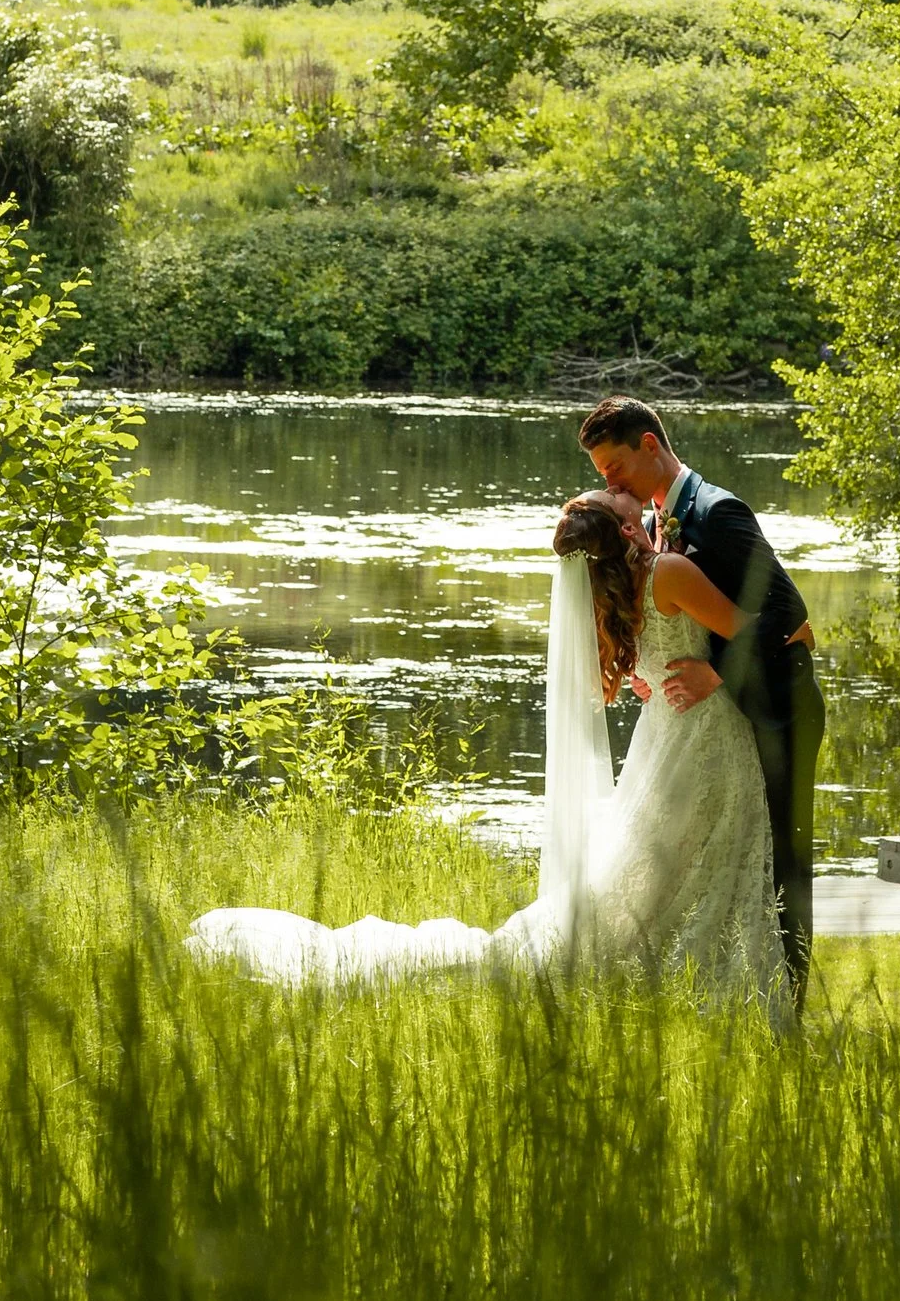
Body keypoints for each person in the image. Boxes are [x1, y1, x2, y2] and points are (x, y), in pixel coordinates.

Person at [184, 485, 785, 1008]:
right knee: (690, 858)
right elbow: (758, 626)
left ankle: (682, 967)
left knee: (667, 864)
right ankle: (704, 974)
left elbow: (651, 661)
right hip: (699, 730)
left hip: (668, 735)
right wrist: (781, 633)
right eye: (619, 497)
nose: (621, 488)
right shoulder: (669, 573)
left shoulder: (624, 587)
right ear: (630, 528)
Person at [577, 395, 824, 1009]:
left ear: (650, 447)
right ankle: (728, 978)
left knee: (784, 854)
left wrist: (715, 672)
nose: (609, 483)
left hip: (780, 707)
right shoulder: (660, 520)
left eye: (614, 470)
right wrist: (651, 670)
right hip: (719, 722)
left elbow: (789, 615)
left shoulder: (718, 511)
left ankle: (788, 997)